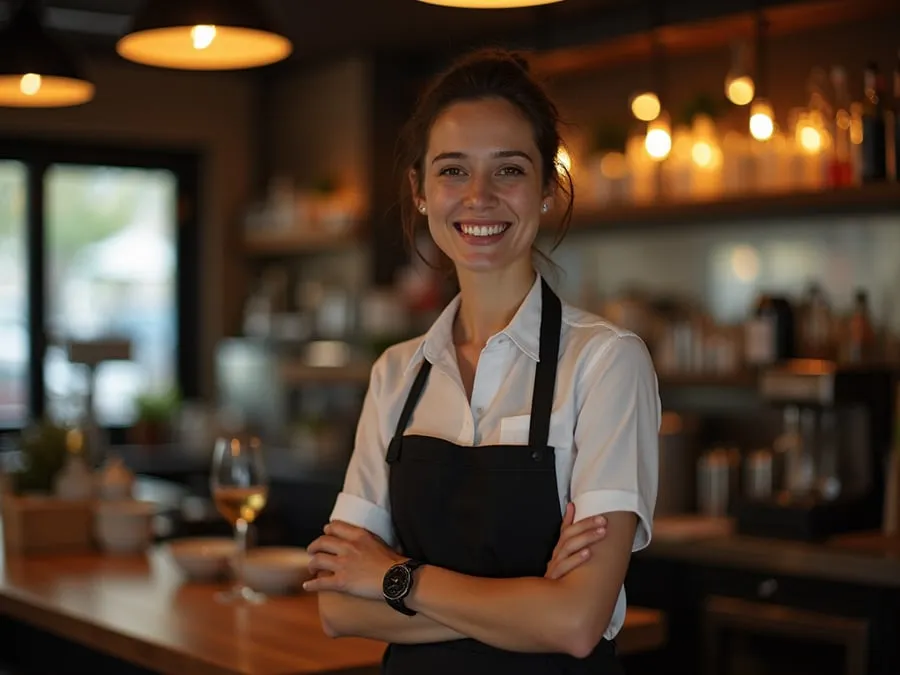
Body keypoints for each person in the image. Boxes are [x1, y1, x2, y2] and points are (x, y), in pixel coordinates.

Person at [303, 47, 660, 675]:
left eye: (510, 171)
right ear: (419, 191)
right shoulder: (397, 374)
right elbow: (338, 606)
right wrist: (532, 605)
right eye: (452, 171)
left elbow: (577, 626)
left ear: (548, 186)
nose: (480, 197)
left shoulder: (605, 364)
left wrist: (394, 578)